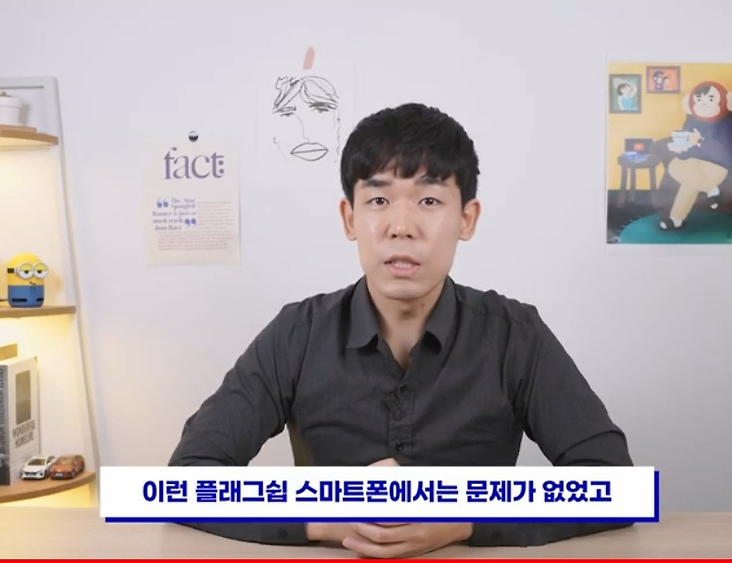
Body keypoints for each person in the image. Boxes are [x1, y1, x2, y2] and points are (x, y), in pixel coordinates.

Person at [169, 102, 634, 558]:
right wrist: (325, 518)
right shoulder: (297, 334)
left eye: (429, 200)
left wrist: (464, 519)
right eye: (378, 200)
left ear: (467, 218)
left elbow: (618, 486)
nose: (401, 227)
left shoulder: (515, 335)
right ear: (350, 218)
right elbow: (185, 481)